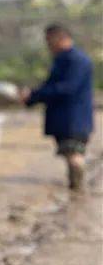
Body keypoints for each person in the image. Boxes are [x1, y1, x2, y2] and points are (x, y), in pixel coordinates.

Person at [22, 23, 94, 191]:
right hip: (67, 117)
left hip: (72, 118)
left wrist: (34, 95)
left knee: (73, 153)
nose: (48, 46)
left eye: (49, 41)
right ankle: (76, 189)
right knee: (71, 153)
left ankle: (77, 189)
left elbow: (66, 88)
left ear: (59, 38)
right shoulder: (63, 60)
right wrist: (32, 97)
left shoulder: (76, 60)